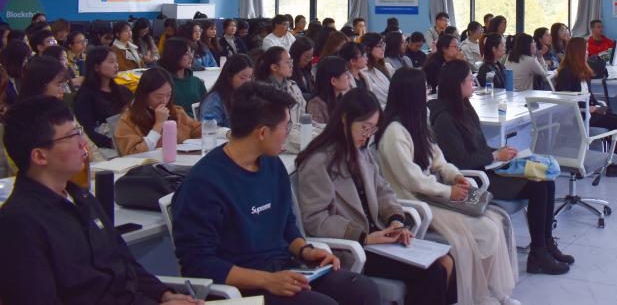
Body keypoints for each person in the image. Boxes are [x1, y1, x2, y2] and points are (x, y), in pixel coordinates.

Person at [172, 82, 379, 304]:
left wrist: (306, 251)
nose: (288, 134)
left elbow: (286, 224)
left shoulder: (272, 166)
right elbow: (198, 263)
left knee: (362, 290)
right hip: (241, 286)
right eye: (286, 127)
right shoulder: (204, 183)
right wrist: (267, 280)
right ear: (262, 132)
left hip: (283, 268)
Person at [0, 96, 198, 305]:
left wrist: (163, 294)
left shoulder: (81, 197)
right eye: (71, 136)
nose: (83, 144)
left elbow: (125, 261)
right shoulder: (20, 223)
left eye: (79, 132)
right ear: (40, 156)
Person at [295, 89, 458, 305]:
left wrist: (396, 221)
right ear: (344, 119)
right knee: (433, 271)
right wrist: (364, 237)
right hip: (352, 248)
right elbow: (316, 219)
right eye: (364, 127)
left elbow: (382, 190)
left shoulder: (360, 151)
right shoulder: (318, 161)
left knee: (446, 260)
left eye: (372, 129)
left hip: (378, 239)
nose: (367, 134)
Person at [376, 68, 520, 305]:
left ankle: (493, 291)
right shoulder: (394, 132)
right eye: (423, 88)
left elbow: (438, 160)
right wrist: (448, 191)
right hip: (418, 203)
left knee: (497, 221)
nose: (427, 92)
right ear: (412, 94)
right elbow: (413, 180)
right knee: (483, 232)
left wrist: (454, 176)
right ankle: (479, 296)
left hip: (435, 195)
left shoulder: (416, 123)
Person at [433, 60, 573, 275]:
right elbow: (461, 160)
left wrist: (500, 152)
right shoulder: (445, 119)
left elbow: (478, 147)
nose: (473, 83)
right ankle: (538, 254)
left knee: (546, 180)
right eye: (469, 79)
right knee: (537, 187)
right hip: (474, 179)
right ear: (457, 84)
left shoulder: (464, 108)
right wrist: (494, 155)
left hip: (487, 168)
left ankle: (546, 244)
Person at [555, 37, 617, 176]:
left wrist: (596, 106)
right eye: (585, 50)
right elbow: (567, 100)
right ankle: (614, 164)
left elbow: (589, 95)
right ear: (577, 52)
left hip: (589, 111)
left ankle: (614, 159)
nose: (587, 52)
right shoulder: (566, 73)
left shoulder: (583, 70)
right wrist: (591, 108)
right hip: (578, 115)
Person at [17, 56, 105, 165]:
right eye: (58, 84)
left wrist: (102, 165)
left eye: (64, 85)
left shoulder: (62, 110)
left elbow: (88, 145)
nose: (62, 90)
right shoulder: (23, 120)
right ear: (41, 85)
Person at [115, 67, 202, 154]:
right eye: (158, 97)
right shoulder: (128, 119)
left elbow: (196, 128)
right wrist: (159, 124)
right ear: (145, 95)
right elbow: (133, 153)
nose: (164, 101)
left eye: (168, 95)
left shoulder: (175, 111)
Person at [73, 46, 133, 150]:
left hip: (129, 140)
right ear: (96, 67)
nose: (116, 65)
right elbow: (87, 131)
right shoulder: (85, 97)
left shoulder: (122, 91)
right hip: (106, 147)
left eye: (116, 61)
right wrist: (112, 143)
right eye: (111, 62)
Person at [199, 53, 254, 127]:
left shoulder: (248, 96)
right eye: (242, 78)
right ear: (229, 77)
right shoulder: (214, 100)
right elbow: (210, 128)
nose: (247, 82)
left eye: (250, 77)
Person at [157, 37, 207, 112]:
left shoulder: (197, 82)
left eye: (191, 53)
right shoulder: (162, 82)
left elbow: (207, 107)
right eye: (186, 54)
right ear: (175, 55)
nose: (191, 57)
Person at [306, 56, 355, 125]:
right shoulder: (316, 104)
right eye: (345, 73)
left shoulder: (343, 99)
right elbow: (317, 130)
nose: (349, 77)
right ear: (333, 81)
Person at [358, 32, 392, 107]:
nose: (383, 49)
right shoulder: (364, 72)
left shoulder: (387, 67)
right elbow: (379, 97)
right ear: (368, 49)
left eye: (384, 45)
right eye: (379, 46)